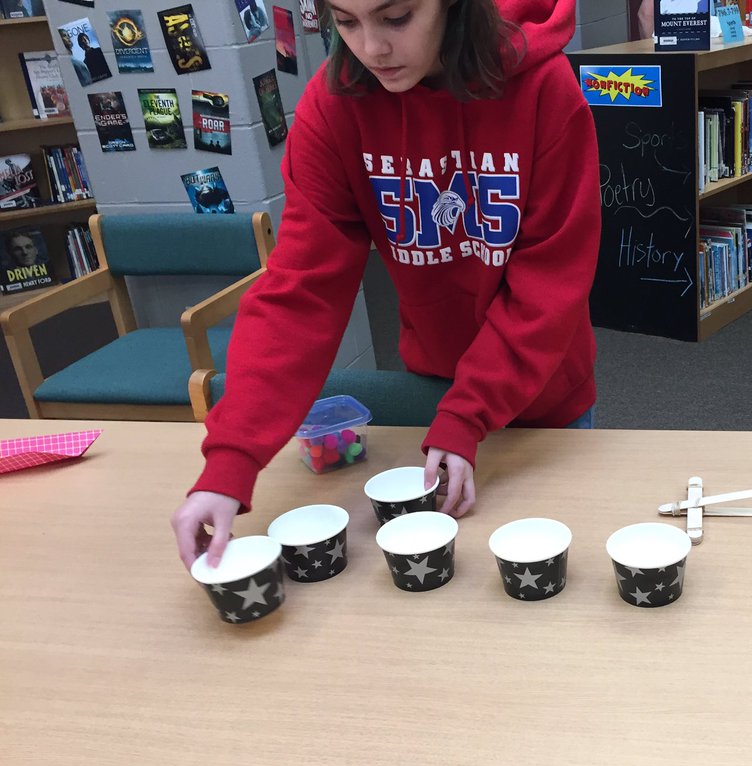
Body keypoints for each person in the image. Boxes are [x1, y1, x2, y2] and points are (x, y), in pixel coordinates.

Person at [171, 0, 600, 568]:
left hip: (545, 399)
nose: (371, 48)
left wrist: (469, 412)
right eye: (346, 22)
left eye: (395, 18)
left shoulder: (545, 89)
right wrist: (231, 460)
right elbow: (300, 293)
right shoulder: (334, 106)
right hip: (433, 392)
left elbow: (548, 286)